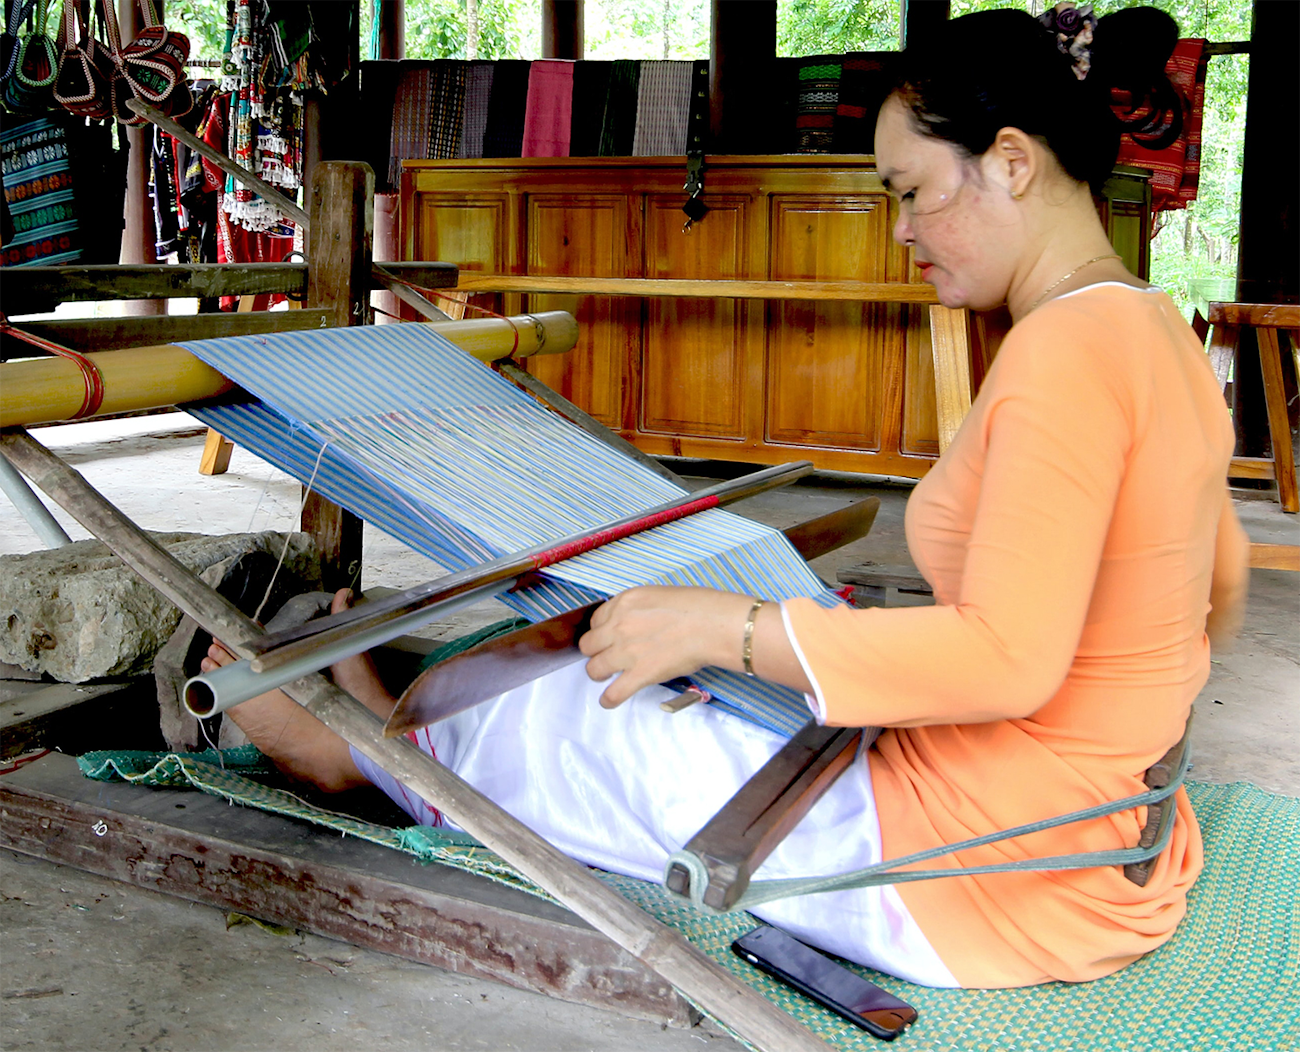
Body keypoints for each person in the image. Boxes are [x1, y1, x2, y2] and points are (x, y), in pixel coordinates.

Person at [205, 8, 1249, 990]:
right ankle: (400, 716)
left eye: (910, 189)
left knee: (582, 715)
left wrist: (735, 625)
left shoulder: (1062, 358)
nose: (899, 228)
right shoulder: (1153, 331)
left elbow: (1010, 657)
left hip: (975, 864)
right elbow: (1219, 595)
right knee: (635, 658)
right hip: (1103, 832)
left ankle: (368, 754)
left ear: (1011, 162)